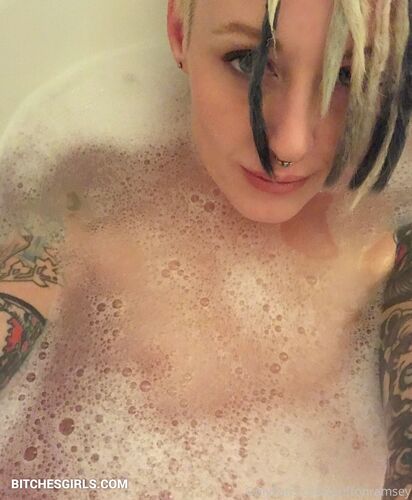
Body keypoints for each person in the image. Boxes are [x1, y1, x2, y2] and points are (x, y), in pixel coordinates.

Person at [0, 0, 411, 498]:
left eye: (346, 76)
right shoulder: (82, 212)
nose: (290, 144)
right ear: (179, 32)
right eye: (247, 61)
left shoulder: (393, 242)